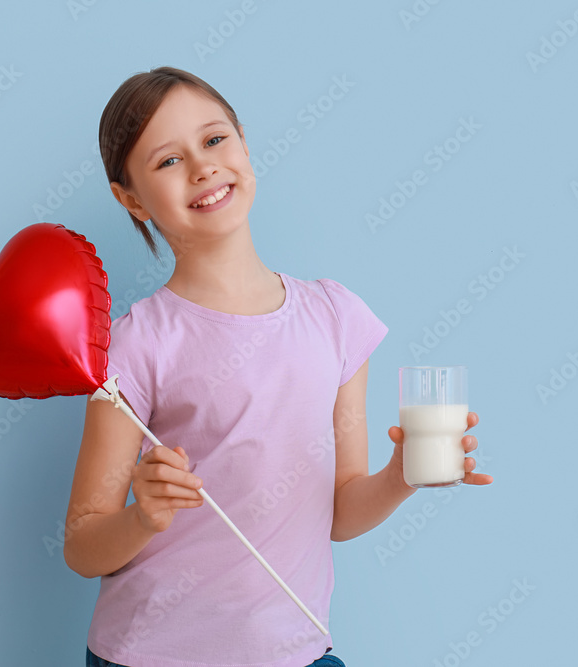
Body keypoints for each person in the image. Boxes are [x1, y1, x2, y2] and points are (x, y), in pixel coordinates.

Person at [63, 66, 492, 667]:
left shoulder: (336, 317)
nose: (203, 167)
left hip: (297, 653)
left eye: (215, 140)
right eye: (167, 161)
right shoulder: (137, 344)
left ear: (243, 139)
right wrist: (143, 517)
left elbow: (339, 511)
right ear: (129, 198)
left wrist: (403, 474)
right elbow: (83, 544)